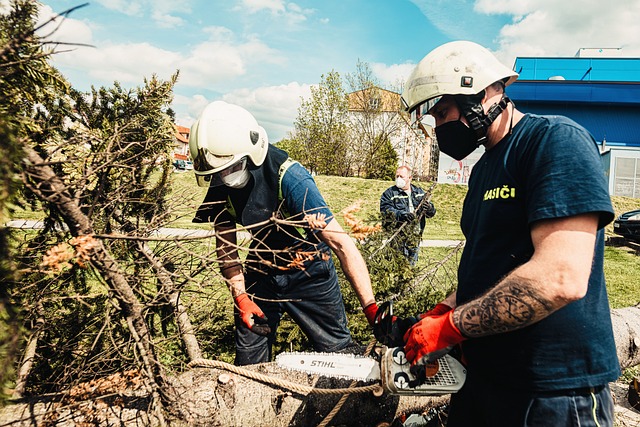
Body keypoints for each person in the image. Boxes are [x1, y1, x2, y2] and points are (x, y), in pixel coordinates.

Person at [394, 40, 620, 426]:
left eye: (443, 112)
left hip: (554, 393)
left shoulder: (553, 142)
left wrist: (452, 326)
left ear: (478, 94)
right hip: (485, 380)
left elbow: (560, 278)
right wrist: (449, 306)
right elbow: (493, 263)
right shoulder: (484, 170)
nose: (439, 126)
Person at [189, 101, 382, 365]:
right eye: (218, 173)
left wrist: (370, 306)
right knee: (248, 358)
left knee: (338, 353)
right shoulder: (220, 181)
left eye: (230, 169)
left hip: (310, 268)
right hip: (261, 269)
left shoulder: (291, 179)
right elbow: (226, 249)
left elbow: (340, 243)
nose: (224, 177)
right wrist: (241, 296)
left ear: (251, 152)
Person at [380, 165, 436, 264]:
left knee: (411, 267)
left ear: (410, 178)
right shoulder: (389, 193)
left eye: (401, 176)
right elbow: (386, 210)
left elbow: (431, 213)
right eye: (397, 176)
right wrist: (402, 215)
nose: (398, 179)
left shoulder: (418, 192)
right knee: (400, 265)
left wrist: (429, 208)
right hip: (398, 236)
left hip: (414, 236)